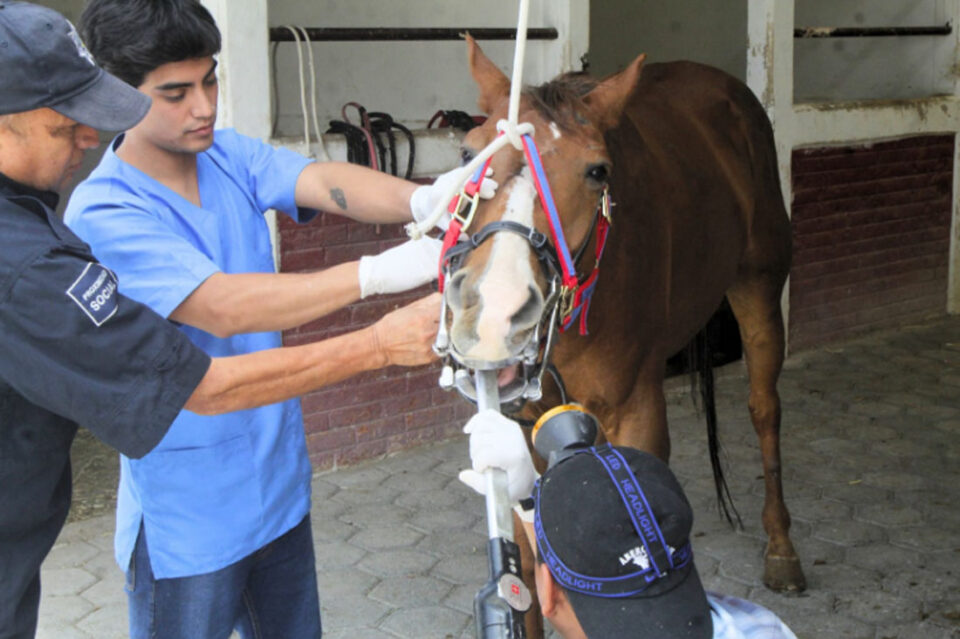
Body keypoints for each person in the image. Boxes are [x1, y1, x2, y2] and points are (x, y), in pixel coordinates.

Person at [0, 3, 444, 639]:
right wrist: (380, 279)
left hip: (276, 484)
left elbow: (320, 179)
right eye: (175, 93)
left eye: (210, 81)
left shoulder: (226, 155)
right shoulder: (103, 211)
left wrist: (426, 199)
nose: (203, 106)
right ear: (121, 95)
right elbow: (222, 307)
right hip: (191, 514)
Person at [460, 409, 799, 639]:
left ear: (547, 594)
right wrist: (528, 502)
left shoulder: (550, 595)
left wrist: (532, 498)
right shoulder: (761, 627)